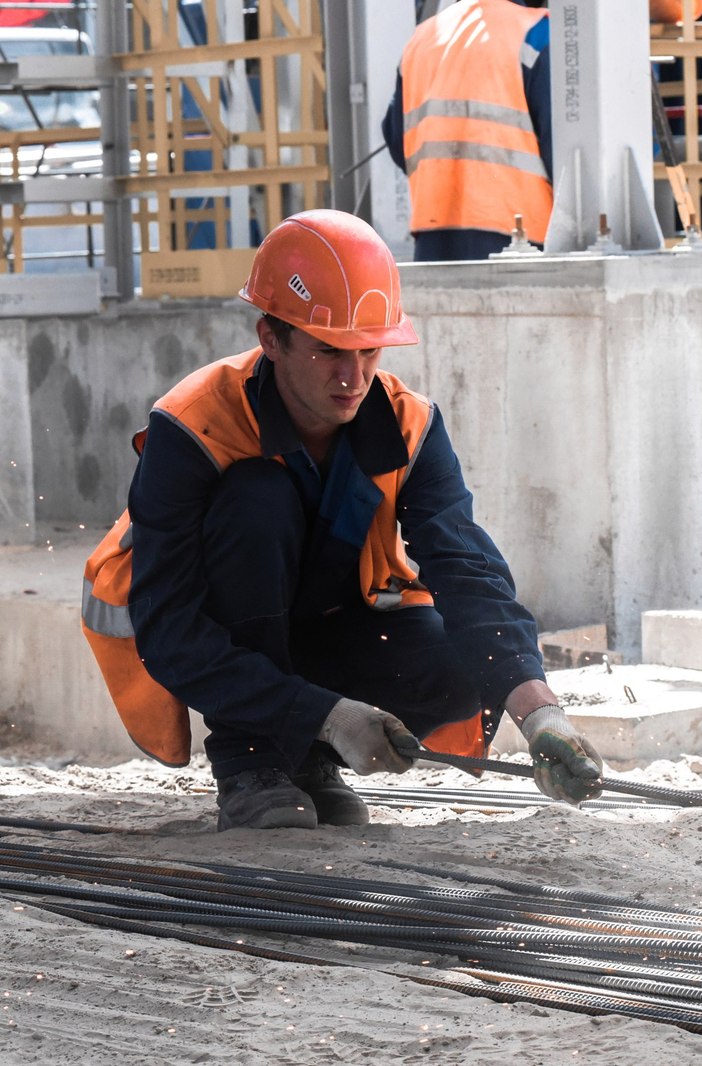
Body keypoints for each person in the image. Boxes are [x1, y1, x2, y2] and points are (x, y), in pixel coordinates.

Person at [80, 210, 604, 831]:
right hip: (209, 636)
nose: (354, 377)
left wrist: (540, 711)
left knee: (468, 666)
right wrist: (326, 712)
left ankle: (310, 761)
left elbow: (467, 572)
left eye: (368, 350)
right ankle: (252, 760)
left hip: (327, 629)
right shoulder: (192, 425)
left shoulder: (410, 424)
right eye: (330, 350)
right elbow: (169, 631)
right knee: (258, 500)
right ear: (271, 339)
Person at [381, 0, 552, 261]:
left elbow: (397, 140)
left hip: (433, 242)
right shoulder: (535, 34)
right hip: (520, 246)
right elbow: (564, 151)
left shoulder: (422, 39)